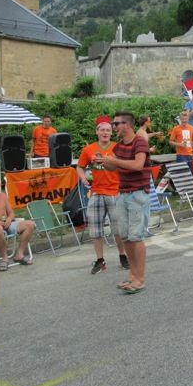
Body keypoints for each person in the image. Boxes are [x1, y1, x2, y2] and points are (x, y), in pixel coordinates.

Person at [93, 111, 150, 295]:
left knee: (136, 237)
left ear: (127, 125)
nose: (113, 127)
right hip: (123, 193)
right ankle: (133, 275)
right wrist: (102, 162)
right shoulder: (118, 146)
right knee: (125, 237)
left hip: (138, 194)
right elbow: (114, 167)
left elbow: (138, 165)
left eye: (116, 124)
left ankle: (140, 279)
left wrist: (114, 160)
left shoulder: (139, 142)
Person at [76, 115, 129, 275]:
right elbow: (79, 167)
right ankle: (100, 261)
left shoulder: (118, 147)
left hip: (115, 192)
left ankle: (123, 256)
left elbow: (126, 166)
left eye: (108, 130)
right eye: (102, 130)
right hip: (96, 193)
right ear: (97, 132)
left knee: (118, 229)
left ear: (111, 132)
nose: (105, 132)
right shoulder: (89, 149)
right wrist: (83, 177)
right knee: (95, 230)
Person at [0, 177, 35, 271]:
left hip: (7, 224)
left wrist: (9, 219)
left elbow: (11, 213)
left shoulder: (3, 196)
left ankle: (19, 254)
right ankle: (5, 258)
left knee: (30, 224)